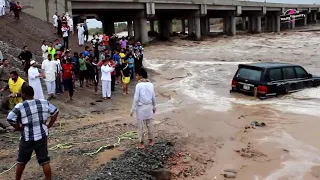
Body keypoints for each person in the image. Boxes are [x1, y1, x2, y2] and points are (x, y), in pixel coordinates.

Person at [7, 85, 59, 180]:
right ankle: (48, 178)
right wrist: (49, 125)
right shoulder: (43, 102)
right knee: (44, 161)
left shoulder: (20, 106)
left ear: (24, 94)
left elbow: (10, 118)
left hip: (27, 137)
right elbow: (55, 112)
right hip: (42, 136)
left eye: (22, 93)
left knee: (21, 161)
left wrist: (18, 128)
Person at [130, 68, 156, 149]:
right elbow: (153, 97)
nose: (136, 76)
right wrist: (154, 106)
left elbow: (136, 98)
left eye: (137, 75)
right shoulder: (150, 84)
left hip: (141, 108)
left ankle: (141, 143)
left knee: (141, 126)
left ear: (140, 76)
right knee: (149, 125)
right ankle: (151, 140)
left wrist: (132, 109)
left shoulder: (139, 85)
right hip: (149, 107)